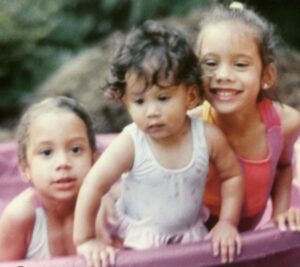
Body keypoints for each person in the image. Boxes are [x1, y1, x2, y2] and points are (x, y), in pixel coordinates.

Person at [73, 20, 244, 267]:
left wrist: (227, 222)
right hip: (136, 243)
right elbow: (93, 184)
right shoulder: (132, 142)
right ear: (125, 101)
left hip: (190, 239)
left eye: (163, 98)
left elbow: (232, 176)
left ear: (191, 95)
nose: (152, 111)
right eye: (140, 101)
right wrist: (86, 239)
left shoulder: (207, 137)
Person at [190, 1, 300, 231]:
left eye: (240, 64)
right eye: (210, 63)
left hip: (248, 233)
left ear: (267, 76)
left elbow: (283, 167)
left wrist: (280, 214)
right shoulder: (188, 127)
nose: (223, 75)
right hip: (193, 236)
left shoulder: (284, 124)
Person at [0, 96, 97, 260]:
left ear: (94, 161)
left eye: (75, 150)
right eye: (46, 152)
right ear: (25, 168)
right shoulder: (20, 217)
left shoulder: (107, 209)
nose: (63, 163)